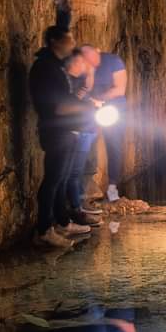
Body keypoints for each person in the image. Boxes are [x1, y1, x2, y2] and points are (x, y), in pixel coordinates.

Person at [28, 27, 92, 250]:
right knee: (53, 180)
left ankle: (62, 222)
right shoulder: (45, 68)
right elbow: (58, 106)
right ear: (55, 41)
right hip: (55, 131)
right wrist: (86, 108)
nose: (73, 43)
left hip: (65, 130)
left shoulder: (55, 67)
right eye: (69, 39)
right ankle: (44, 230)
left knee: (61, 178)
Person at [63, 46, 104, 227]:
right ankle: (76, 209)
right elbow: (74, 99)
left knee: (78, 170)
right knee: (73, 172)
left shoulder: (87, 73)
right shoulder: (72, 76)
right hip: (76, 128)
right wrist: (90, 103)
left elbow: (83, 96)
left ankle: (80, 204)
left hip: (86, 127)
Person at [90, 45, 129, 203]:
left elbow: (120, 89)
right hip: (91, 108)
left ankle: (112, 187)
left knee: (114, 146)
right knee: (87, 144)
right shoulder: (86, 65)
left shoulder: (113, 61)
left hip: (113, 109)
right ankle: (87, 186)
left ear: (98, 51)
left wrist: (100, 99)